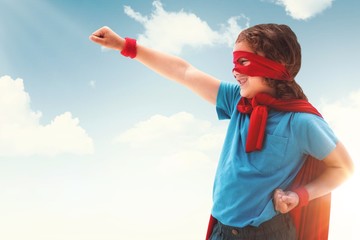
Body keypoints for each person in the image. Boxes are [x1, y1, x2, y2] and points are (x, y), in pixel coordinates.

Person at [89, 23, 354, 240]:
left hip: (266, 233)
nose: (235, 70)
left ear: (274, 67)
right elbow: (183, 71)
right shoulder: (237, 101)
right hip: (222, 230)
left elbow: (344, 167)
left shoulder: (301, 122)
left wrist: (299, 195)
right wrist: (125, 46)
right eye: (234, 61)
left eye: (243, 61)